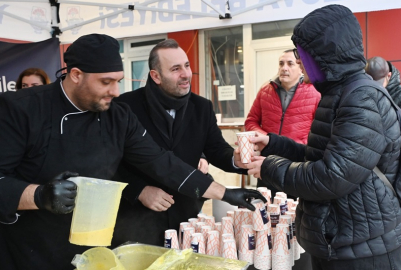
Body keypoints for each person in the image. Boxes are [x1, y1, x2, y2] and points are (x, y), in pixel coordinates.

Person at [0, 33, 265, 270]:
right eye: (106, 82)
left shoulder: (118, 115)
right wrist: (39, 195)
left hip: (94, 244)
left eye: (118, 81)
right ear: (76, 75)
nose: (115, 92)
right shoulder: (19, 110)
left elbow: (161, 162)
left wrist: (225, 192)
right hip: (32, 247)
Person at [246, 4, 401, 270]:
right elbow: (319, 155)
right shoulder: (339, 93)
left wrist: (269, 166)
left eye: (302, 54)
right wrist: (273, 143)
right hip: (343, 237)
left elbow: (332, 176)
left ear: (325, 55)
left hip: (364, 249)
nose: (298, 61)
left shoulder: (361, 98)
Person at [111, 39, 249, 247]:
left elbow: (215, 149)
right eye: (176, 69)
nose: (186, 74)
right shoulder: (124, 107)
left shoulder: (201, 107)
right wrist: (138, 190)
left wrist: (235, 159)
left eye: (186, 65)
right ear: (155, 76)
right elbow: (109, 163)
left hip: (186, 215)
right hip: (136, 219)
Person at [245, 49, 320, 144]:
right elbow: (250, 122)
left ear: (300, 68)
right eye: (281, 64)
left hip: (299, 155)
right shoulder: (265, 91)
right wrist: (266, 138)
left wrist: (303, 145)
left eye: (290, 64)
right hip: (268, 152)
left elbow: (321, 130)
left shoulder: (315, 93)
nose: (284, 68)